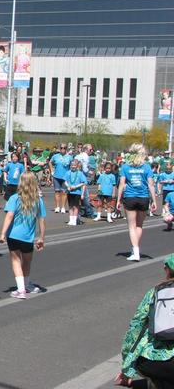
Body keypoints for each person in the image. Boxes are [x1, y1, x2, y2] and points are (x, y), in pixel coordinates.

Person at [116, 254, 174, 388]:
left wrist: (127, 370)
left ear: (168, 270)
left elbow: (135, 330)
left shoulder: (154, 293)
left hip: (155, 363)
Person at [0, 171, 46, 299]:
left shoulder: (14, 198)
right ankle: (25, 284)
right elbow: (41, 220)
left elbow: (9, 216)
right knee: (27, 261)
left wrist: (3, 233)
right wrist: (41, 237)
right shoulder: (38, 200)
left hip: (13, 235)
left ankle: (21, 289)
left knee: (15, 260)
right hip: (28, 237)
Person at [117, 144, 158, 262]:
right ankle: (135, 249)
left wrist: (118, 199)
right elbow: (151, 185)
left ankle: (135, 251)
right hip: (143, 198)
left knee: (131, 226)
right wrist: (154, 200)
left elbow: (121, 184)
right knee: (139, 225)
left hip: (130, 197)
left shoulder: (125, 167)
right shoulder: (146, 167)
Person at [50, 144, 72, 213]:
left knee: (64, 192)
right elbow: (50, 162)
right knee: (57, 192)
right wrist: (52, 171)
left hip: (65, 177)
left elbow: (72, 165)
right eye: (61, 148)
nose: (63, 149)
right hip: (56, 176)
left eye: (64, 148)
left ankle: (63, 207)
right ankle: (57, 207)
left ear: (66, 149)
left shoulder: (69, 157)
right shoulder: (55, 156)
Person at [65, 160, 87, 226]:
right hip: (70, 192)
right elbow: (65, 181)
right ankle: (71, 219)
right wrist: (68, 186)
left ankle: (74, 220)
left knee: (76, 206)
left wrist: (76, 187)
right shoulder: (68, 173)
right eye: (72, 165)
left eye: (74, 165)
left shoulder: (80, 173)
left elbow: (83, 183)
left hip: (77, 192)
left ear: (77, 166)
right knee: (70, 206)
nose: (73, 166)